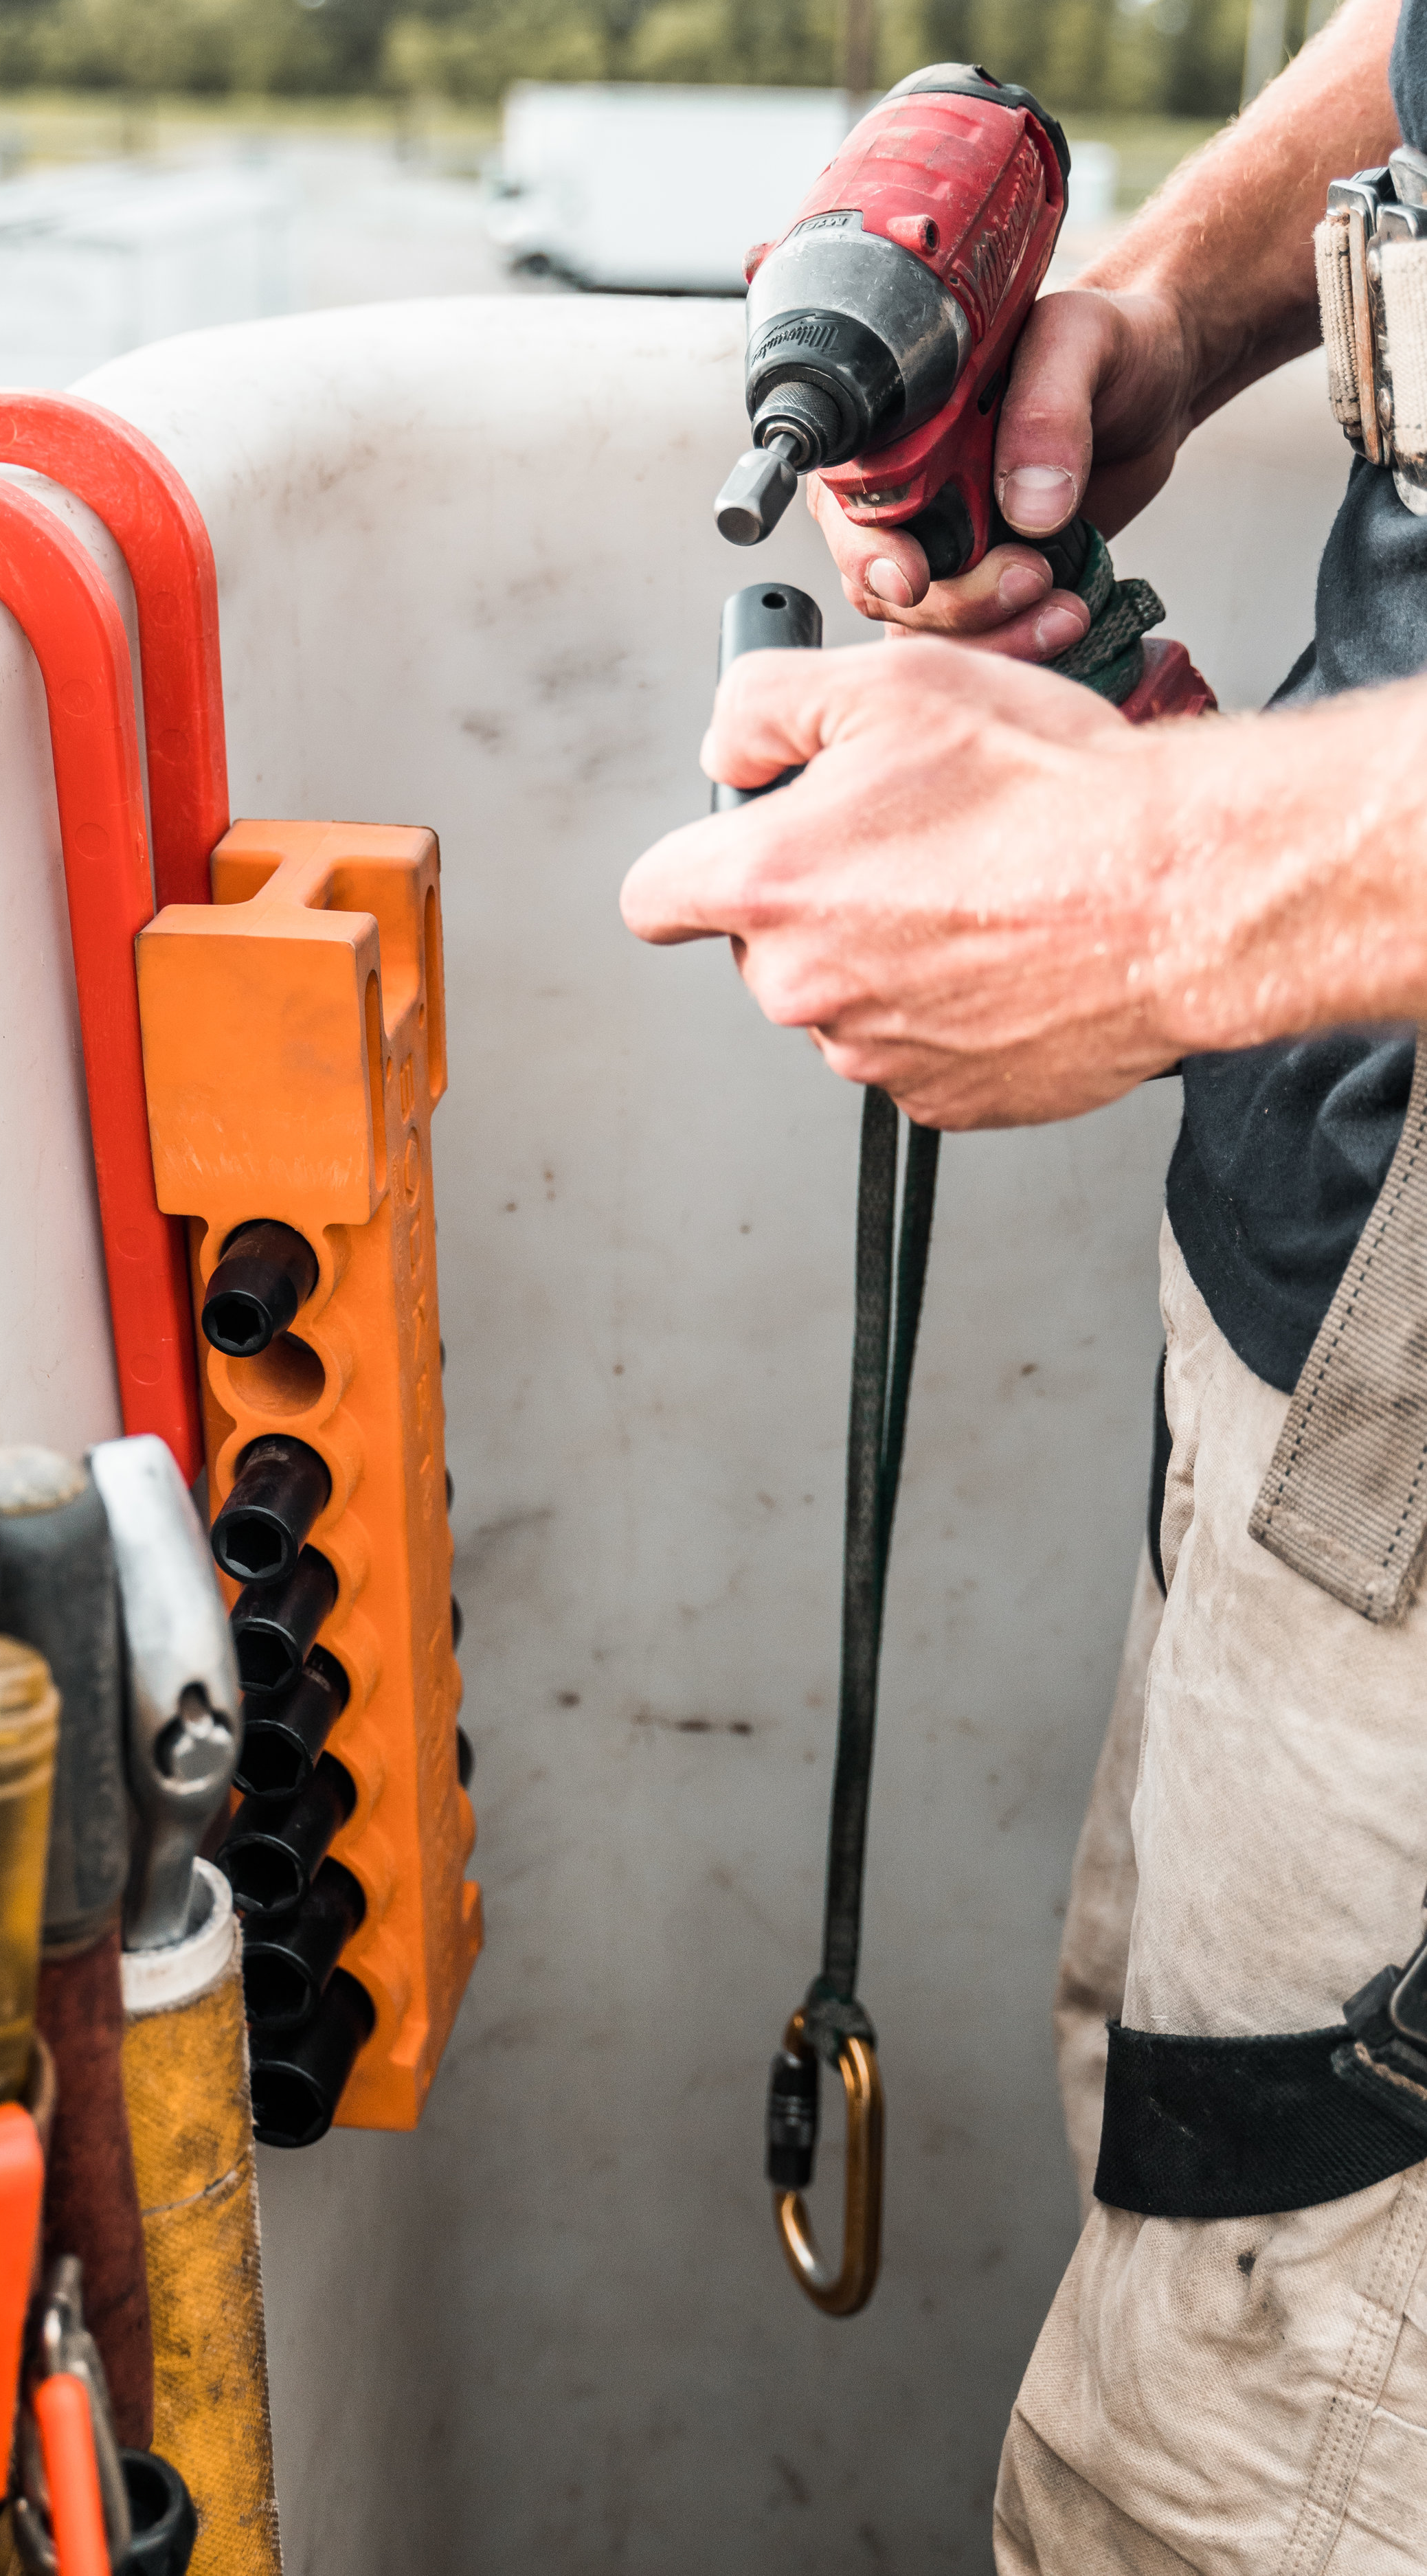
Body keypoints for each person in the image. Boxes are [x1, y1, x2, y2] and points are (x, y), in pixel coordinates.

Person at [622, 3, 1427, 2568]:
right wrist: (1172, 308)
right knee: (1184, 2160)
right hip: (1308, 1290)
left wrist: (1164, 876)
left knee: (1218, 2480)